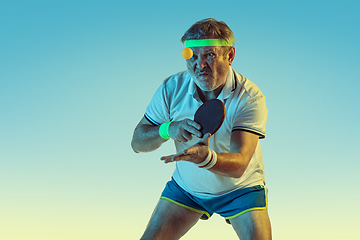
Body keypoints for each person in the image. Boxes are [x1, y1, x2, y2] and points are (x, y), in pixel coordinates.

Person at [131, 18, 272, 240]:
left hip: (241, 191)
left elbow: (239, 165)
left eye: (210, 55)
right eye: (192, 56)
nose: (200, 64)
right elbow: (137, 143)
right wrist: (168, 129)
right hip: (187, 190)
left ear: (230, 56)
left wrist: (206, 159)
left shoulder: (250, 97)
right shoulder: (171, 88)